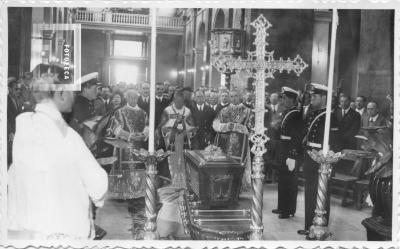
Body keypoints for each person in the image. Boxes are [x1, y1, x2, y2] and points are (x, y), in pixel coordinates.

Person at [7, 74, 108, 240]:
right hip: (61, 229)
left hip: (26, 230)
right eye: (71, 92)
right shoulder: (67, 136)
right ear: (61, 94)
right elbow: (98, 186)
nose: (74, 97)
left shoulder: (24, 127)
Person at [297, 83, 339, 239]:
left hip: (322, 161)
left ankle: (321, 227)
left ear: (324, 98)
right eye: (311, 96)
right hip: (311, 158)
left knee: (321, 194)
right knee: (310, 193)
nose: (311, 98)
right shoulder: (315, 114)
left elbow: (335, 142)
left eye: (314, 96)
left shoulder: (330, 116)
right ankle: (310, 226)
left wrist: (331, 163)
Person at [108, 90, 149, 199]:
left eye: (135, 98)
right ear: (126, 98)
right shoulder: (120, 112)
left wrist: (143, 135)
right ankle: (123, 192)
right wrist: (130, 136)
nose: (133, 100)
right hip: (124, 146)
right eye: (131, 97)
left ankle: (137, 191)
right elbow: (115, 128)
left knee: (138, 166)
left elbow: (147, 126)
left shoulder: (143, 112)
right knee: (124, 166)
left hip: (139, 146)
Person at [271, 87, 303, 219]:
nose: (283, 100)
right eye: (282, 98)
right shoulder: (287, 112)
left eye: (285, 98)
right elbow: (281, 131)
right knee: (283, 180)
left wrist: (292, 154)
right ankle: (281, 207)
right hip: (282, 148)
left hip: (290, 150)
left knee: (290, 181)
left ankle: (288, 210)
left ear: (292, 99)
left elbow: (297, 137)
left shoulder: (296, 114)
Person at [213, 89, 253, 190]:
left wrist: (239, 127)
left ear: (240, 97)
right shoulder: (223, 110)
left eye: (235, 96)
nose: (233, 98)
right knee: (225, 165)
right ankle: (225, 187)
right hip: (225, 143)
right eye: (231, 96)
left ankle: (237, 188)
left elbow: (252, 128)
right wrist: (227, 126)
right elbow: (215, 125)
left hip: (240, 143)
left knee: (238, 165)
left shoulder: (248, 111)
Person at [158, 90, 196, 188]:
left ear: (184, 101)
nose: (179, 103)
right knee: (172, 160)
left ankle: (183, 184)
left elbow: (192, 127)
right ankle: (172, 182)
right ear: (174, 100)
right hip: (171, 141)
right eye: (177, 101)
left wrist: (188, 131)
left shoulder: (187, 111)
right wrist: (167, 131)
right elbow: (162, 126)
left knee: (183, 160)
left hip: (184, 140)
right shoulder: (167, 110)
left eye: (181, 101)